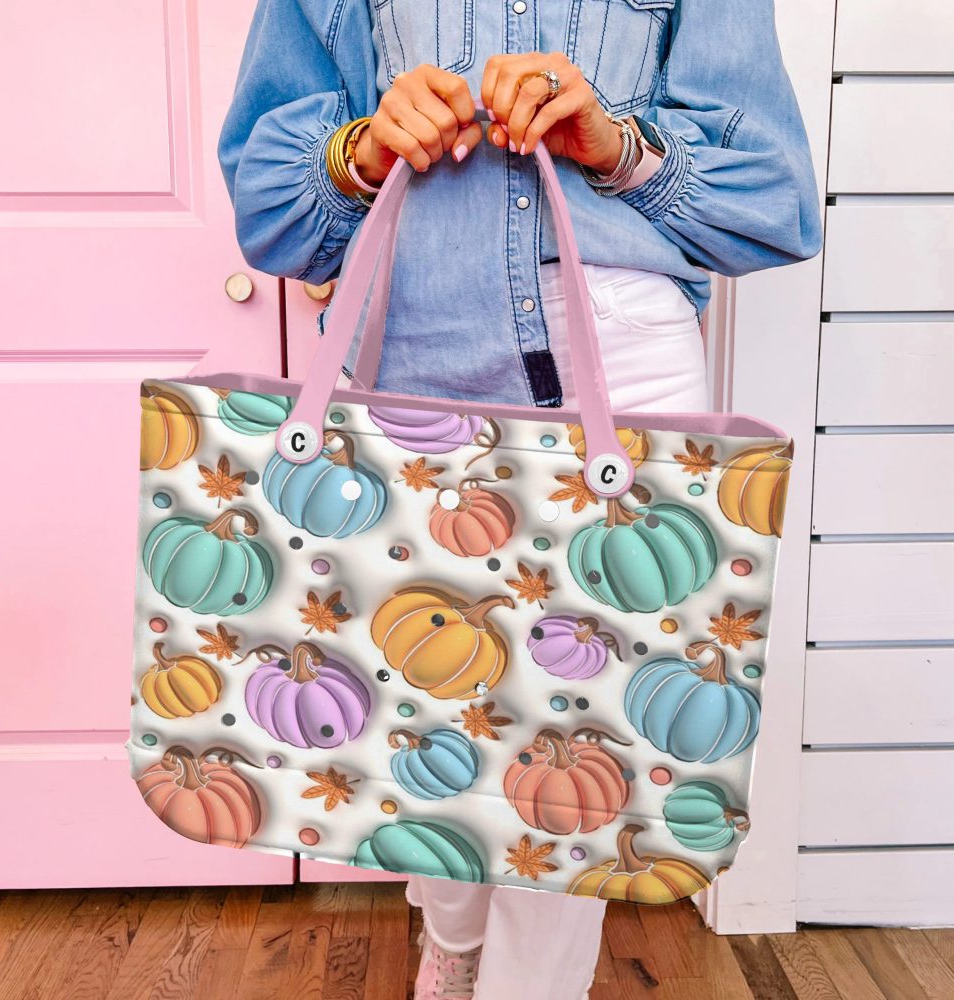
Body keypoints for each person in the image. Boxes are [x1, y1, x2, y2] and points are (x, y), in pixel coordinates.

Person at [218, 2, 822, 997]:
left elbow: (774, 199)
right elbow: (269, 211)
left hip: (616, 360)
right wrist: (360, 151)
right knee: (418, 709)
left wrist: (619, 145)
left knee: (576, 744)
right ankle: (451, 936)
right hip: (405, 345)